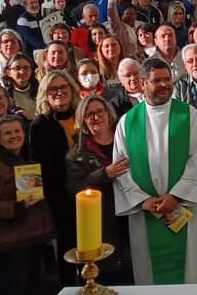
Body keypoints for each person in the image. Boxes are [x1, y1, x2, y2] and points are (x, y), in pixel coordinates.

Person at [113, 58, 197, 284]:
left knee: (187, 275)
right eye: (157, 81)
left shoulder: (188, 115)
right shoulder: (127, 122)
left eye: (168, 79)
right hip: (145, 213)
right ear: (143, 83)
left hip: (182, 210)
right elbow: (120, 169)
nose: (165, 85)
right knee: (149, 276)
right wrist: (143, 201)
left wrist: (175, 197)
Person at [0, 115, 56, 295]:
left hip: (35, 238)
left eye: (17, 131)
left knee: (36, 287)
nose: (14, 136)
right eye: (7, 133)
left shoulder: (29, 158)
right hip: (11, 244)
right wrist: (17, 207)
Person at [65, 95, 134, 285]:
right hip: (104, 223)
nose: (96, 117)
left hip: (134, 215)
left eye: (99, 112)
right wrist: (104, 174)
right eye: (89, 114)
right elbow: (74, 189)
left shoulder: (128, 138)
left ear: (108, 113)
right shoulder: (76, 154)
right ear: (83, 120)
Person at [29, 70, 80, 284]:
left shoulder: (83, 115)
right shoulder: (40, 125)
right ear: (45, 94)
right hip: (61, 199)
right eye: (53, 89)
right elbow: (38, 167)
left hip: (92, 192)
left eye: (63, 87)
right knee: (68, 250)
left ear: (71, 89)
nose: (59, 92)